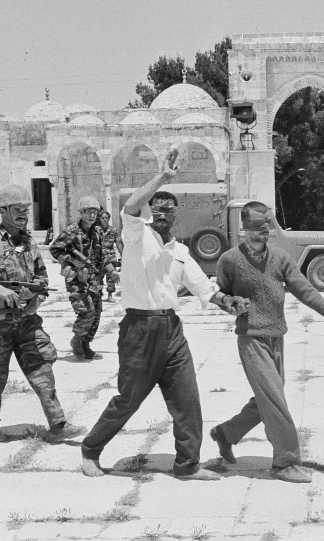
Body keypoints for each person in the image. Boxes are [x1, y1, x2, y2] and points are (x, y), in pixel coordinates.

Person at [80, 149, 248, 480]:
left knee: (188, 401)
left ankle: (187, 465)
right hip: (139, 330)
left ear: (176, 216)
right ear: (150, 211)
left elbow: (205, 288)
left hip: (171, 330)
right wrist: (163, 177)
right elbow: (129, 208)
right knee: (127, 400)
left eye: (168, 208)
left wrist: (230, 303)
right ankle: (91, 450)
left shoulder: (181, 251)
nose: (161, 212)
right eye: (156, 206)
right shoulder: (136, 234)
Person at [210, 202, 324, 484]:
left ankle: (225, 433)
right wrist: (231, 305)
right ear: (243, 230)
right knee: (275, 399)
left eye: (267, 230)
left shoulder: (280, 257)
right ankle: (285, 462)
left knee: (267, 399)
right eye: (257, 231)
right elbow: (220, 295)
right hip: (250, 339)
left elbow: (305, 290)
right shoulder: (229, 260)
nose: (263, 236)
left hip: (277, 338)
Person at [0, 185, 85, 443]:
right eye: (17, 210)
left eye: (26, 210)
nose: (23, 215)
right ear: (3, 211)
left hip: (28, 322)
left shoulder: (28, 242)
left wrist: (35, 299)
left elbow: (41, 277)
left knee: (43, 372)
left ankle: (58, 425)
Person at [49, 196, 118, 360]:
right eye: (88, 212)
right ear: (81, 213)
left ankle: (86, 344)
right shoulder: (71, 232)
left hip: (94, 279)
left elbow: (103, 256)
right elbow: (55, 250)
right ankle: (77, 341)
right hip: (77, 279)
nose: (92, 215)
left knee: (97, 313)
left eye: (94, 212)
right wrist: (72, 261)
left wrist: (112, 272)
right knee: (86, 312)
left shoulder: (98, 231)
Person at [98, 211, 123, 303]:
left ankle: (110, 295)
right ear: (100, 219)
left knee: (111, 277)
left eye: (106, 218)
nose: (105, 219)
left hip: (110, 257)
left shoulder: (113, 230)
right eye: (103, 218)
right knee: (98, 278)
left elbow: (118, 243)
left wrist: (122, 254)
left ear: (109, 219)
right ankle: (98, 296)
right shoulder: (96, 230)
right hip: (99, 258)